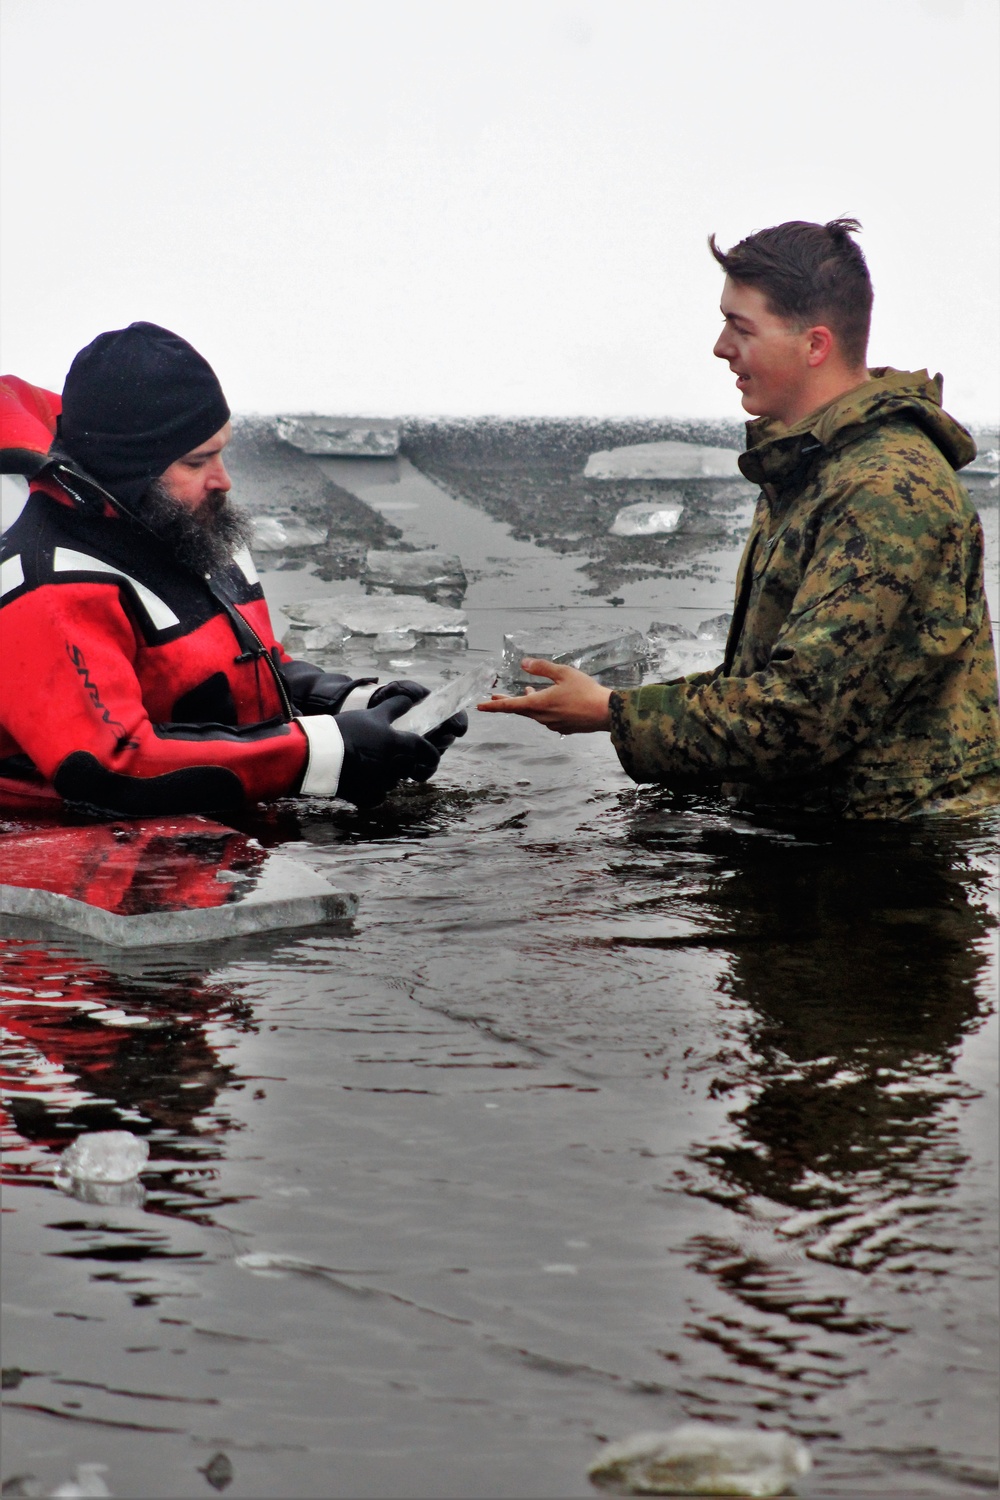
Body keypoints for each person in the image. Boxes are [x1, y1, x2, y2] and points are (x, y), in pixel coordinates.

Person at [481, 219, 1000, 819]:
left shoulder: (885, 489)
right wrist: (615, 703)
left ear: (814, 345)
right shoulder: (813, 465)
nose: (721, 347)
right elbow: (761, 681)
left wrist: (612, 715)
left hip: (889, 861)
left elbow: (802, 715)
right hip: (827, 834)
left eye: (740, 327)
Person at [0, 322, 465, 815]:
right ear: (127, 470)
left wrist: (360, 709)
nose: (223, 480)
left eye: (222, 451)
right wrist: (326, 751)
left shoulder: (183, 526)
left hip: (206, 826)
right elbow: (111, 765)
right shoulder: (46, 590)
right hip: (79, 852)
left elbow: (242, 677)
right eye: (197, 462)